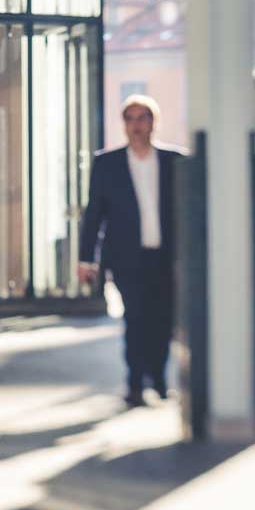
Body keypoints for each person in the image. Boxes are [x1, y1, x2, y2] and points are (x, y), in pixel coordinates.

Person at [78, 96, 181, 408]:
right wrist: (86, 259)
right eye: (130, 119)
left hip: (164, 256)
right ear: (124, 125)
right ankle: (135, 384)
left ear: (154, 123)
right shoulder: (107, 164)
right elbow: (94, 213)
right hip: (125, 258)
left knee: (162, 320)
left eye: (143, 118)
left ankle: (159, 379)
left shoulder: (175, 161)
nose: (136, 126)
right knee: (135, 319)